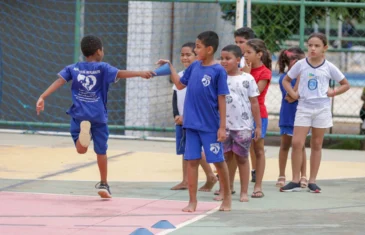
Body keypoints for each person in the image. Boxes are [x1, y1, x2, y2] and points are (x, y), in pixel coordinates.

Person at [36, 35, 155, 198]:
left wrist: (43, 97)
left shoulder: (74, 68)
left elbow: (59, 81)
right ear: (99, 51)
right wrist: (140, 73)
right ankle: (104, 184)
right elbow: (120, 73)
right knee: (101, 151)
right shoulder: (103, 68)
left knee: (81, 150)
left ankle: (83, 135)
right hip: (98, 115)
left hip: (79, 114)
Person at [157, 31, 232, 212]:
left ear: (209, 49)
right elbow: (180, 84)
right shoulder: (194, 66)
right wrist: (170, 67)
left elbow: (222, 99)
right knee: (192, 161)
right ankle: (192, 201)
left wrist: (222, 127)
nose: (195, 49)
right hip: (190, 125)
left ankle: (227, 197)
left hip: (210, 126)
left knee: (218, 161)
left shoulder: (218, 71)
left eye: (198, 46)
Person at [280, 32, 350, 193]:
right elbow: (286, 80)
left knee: (316, 144)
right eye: (310, 45)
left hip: (322, 108)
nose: (312, 48)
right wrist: (293, 93)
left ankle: (312, 181)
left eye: (317, 45)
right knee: (297, 143)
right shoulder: (301, 64)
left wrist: (333, 92)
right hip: (304, 107)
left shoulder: (329, 67)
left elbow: (345, 84)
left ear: (324, 48)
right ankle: (295, 180)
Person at [171, 42, 218, 191]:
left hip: (195, 119)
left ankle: (211, 176)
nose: (184, 57)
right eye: (182, 54)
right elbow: (175, 95)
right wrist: (176, 114)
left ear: (196, 55)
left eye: (188, 54)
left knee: (198, 150)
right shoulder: (180, 75)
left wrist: (187, 116)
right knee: (186, 150)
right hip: (182, 120)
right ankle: (185, 180)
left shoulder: (201, 73)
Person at [218, 44, 261, 202]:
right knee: (224, 158)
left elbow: (254, 103)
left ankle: (244, 191)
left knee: (242, 158)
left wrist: (258, 126)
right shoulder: (219, 77)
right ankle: (224, 190)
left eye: (227, 58)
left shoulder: (247, 79)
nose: (224, 61)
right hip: (224, 127)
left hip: (242, 126)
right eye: (222, 58)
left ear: (238, 60)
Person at [243, 38, 272, 198]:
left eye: (249, 52)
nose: (245, 55)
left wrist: (246, 76)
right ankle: (239, 186)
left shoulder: (264, 73)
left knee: (258, 149)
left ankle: (258, 186)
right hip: (241, 115)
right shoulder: (242, 70)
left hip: (258, 115)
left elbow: (254, 94)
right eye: (244, 52)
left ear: (259, 54)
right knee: (238, 151)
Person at [276, 46, 307, 188]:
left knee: (300, 147)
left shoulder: (307, 77)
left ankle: (303, 176)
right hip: (288, 116)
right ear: (294, 62)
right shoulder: (284, 78)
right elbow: (292, 96)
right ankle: (281, 175)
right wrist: (299, 79)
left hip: (303, 116)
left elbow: (301, 94)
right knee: (285, 146)